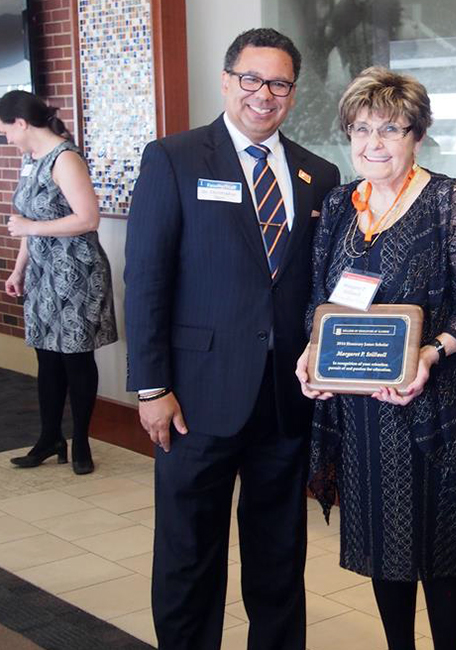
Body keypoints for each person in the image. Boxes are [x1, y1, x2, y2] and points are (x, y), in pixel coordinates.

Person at [124, 28, 339, 650]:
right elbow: (147, 281)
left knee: (279, 558)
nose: (264, 94)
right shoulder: (175, 158)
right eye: (252, 79)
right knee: (190, 556)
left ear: (292, 93)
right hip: (195, 398)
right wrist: (152, 385)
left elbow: (319, 285)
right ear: (227, 81)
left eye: (278, 83)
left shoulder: (318, 174)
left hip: (283, 400)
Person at [295, 67, 456, 650]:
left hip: (436, 407)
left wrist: (430, 352)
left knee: (443, 555)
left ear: (416, 135)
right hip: (366, 413)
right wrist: (313, 355)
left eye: (391, 129)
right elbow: (321, 300)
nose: (374, 144)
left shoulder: (449, 200)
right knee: (384, 548)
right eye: (362, 129)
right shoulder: (341, 203)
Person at [1, 90, 117, 476]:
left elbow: (88, 218)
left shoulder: (65, 158)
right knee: (46, 358)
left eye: (6, 130)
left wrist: (32, 227)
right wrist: (19, 270)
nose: (6, 138)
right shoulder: (29, 161)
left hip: (75, 273)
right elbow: (28, 225)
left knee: (76, 358)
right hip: (42, 272)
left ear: (20, 122)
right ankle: (49, 437)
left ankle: (82, 440)